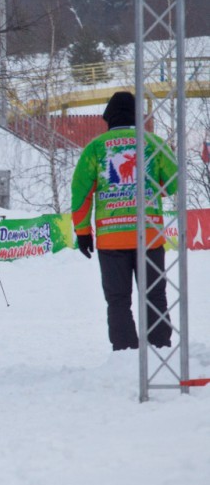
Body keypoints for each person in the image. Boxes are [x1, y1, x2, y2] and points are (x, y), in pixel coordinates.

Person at [71, 90, 177, 351]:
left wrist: (83, 231)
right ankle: (160, 348)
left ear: (108, 118)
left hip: (111, 239)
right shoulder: (153, 143)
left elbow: (80, 193)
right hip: (149, 236)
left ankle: (125, 352)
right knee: (155, 296)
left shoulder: (95, 148)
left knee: (118, 299)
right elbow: (173, 182)